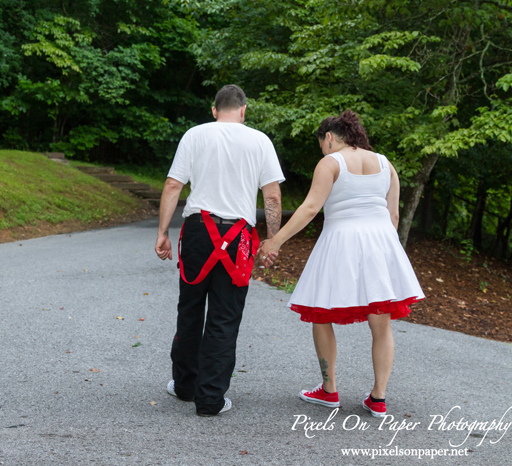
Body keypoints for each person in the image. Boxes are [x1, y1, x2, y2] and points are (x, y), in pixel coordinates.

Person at [259, 110, 424, 418]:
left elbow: (310, 208)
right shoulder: (386, 164)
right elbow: (394, 216)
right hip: (381, 243)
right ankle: (378, 397)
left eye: (322, 143)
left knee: (321, 312)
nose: (322, 150)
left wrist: (275, 241)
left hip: (341, 242)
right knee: (381, 323)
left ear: (330, 137)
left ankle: (329, 389)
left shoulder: (330, 163)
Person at [155, 84, 285, 417]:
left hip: (199, 232)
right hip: (239, 237)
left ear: (214, 111)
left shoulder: (195, 135)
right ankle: (210, 399)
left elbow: (173, 185)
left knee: (190, 308)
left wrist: (162, 233)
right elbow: (271, 197)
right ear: (244, 110)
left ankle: (184, 386)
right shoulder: (260, 141)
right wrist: (272, 240)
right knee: (224, 317)